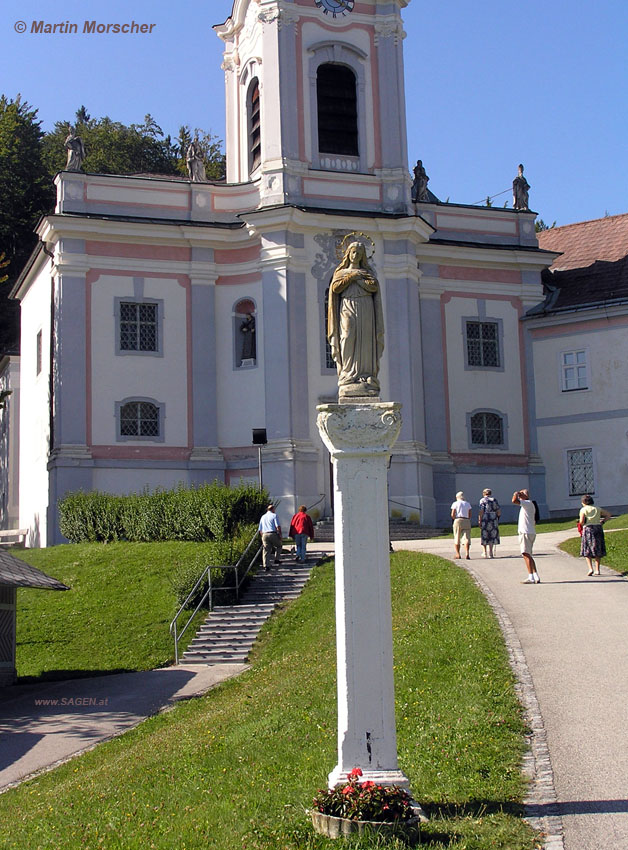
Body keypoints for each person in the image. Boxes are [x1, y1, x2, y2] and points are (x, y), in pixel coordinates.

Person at [327, 241, 384, 399]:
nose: (356, 255)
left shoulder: (367, 273)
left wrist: (359, 277)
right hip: (347, 306)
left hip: (365, 307)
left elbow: (373, 287)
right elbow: (336, 288)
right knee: (347, 336)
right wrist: (352, 276)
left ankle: (365, 375)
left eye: (359, 253)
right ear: (348, 254)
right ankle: (348, 374)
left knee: (365, 341)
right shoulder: (341, 273)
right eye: (353, 252)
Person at [579, 494, 612, 576]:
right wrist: (602, 521)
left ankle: (590, 568)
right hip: (598, 528)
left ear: (584, 502)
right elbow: (608, 515)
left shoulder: (583, 510)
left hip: (588, 529)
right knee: (597, 548)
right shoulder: (598, 509)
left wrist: (581, 524)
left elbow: (582, 521)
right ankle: (597, 569)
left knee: (587, 549)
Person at [512, 489, 539, 583]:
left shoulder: (527, 503)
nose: (520, 495)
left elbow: (514, 501)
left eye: (521, 494)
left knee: (525, 554)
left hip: (525, 532)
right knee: (529, 555)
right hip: (529, 532)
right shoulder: (529, 504)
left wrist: (516, 493)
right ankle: (535, 575)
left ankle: (530, 577)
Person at [478, 488, 501, 558]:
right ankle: (491, 552)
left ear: (484, 493)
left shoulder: (482, 500)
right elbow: (498, 511)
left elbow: (481, 510)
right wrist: (497, 517)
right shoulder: (494, 500)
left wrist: (480, 520)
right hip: (493, 517)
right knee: (492, 534)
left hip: (485, 517)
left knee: (485, 534)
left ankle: (485, 552)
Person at [258, 504, 282, 570]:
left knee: (266, 550)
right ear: (273, 509)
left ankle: (266, 565)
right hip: (272, 533)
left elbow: (260, 529)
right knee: (279, 546)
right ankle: (276, 559)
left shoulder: (263, 517)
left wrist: (262, 536)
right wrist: (280, 535)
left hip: (264, 534)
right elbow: (278, 526)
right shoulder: (274, 516)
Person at [450, 491, 472, 559]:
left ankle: (458, 554)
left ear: (457, 497)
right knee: (467, 537)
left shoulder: (455, 503)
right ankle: (467, 553)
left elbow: (452, 514)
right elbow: (470, 514)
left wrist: (454, 519)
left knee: (457, 537)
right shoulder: (467, 504)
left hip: (458, 520)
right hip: (466, 520)